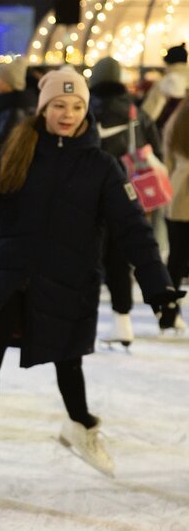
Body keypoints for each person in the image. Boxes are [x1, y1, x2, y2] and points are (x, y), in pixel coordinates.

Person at [0, 68, 183, 494]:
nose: (68, 114)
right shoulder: (16, 150)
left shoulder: (101, 166)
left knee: (69, 361)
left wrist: (156, 285)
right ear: (44, 108)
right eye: (59, 106)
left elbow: (132, 230)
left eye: (77, 106)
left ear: (87, 111)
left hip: (70, 278)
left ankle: (80, 427)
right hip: (10, 272)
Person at [89, 56, 164, 346]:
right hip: (129, 195)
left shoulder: (85, 108)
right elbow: (155, 148)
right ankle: (123, 322)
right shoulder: (135, 110)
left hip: (90, 196)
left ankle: (84, 320)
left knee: (87, 258)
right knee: (120, 259)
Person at [164, 100, 189, 327]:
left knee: (176, 259)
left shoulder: (179, 117)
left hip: (179, 193)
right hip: (180, 193)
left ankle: (168, 314)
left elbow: (167, 157)